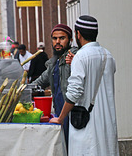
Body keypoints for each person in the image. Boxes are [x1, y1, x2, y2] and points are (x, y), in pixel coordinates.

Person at [49, 15, 119, 155]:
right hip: (106, 120)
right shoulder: (108, 56)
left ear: (78, 34)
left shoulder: (81, 56)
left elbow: (74, 92)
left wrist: (61, 118)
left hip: (87, 123)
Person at [32, 24, 78, 150]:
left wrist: (76, 61)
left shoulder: (73, 57)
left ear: (70, 40)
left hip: (73, 114)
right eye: (54, 38)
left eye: (62, 38)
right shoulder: (54, 62)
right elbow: (39, 82)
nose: (57, 42)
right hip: (59, 114)